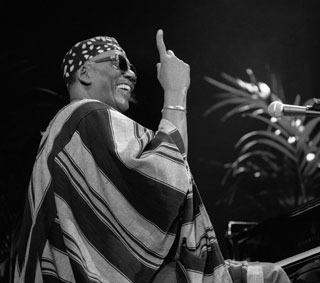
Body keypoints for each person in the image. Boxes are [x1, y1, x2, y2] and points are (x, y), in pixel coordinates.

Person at [13, 29, 290, 283]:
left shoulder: (66, 128)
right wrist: (175, 92)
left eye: (131, 67)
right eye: (118, 62)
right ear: (84, 73)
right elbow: (167, 181)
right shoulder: (86, 115)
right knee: (272, 277)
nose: (131, 74)